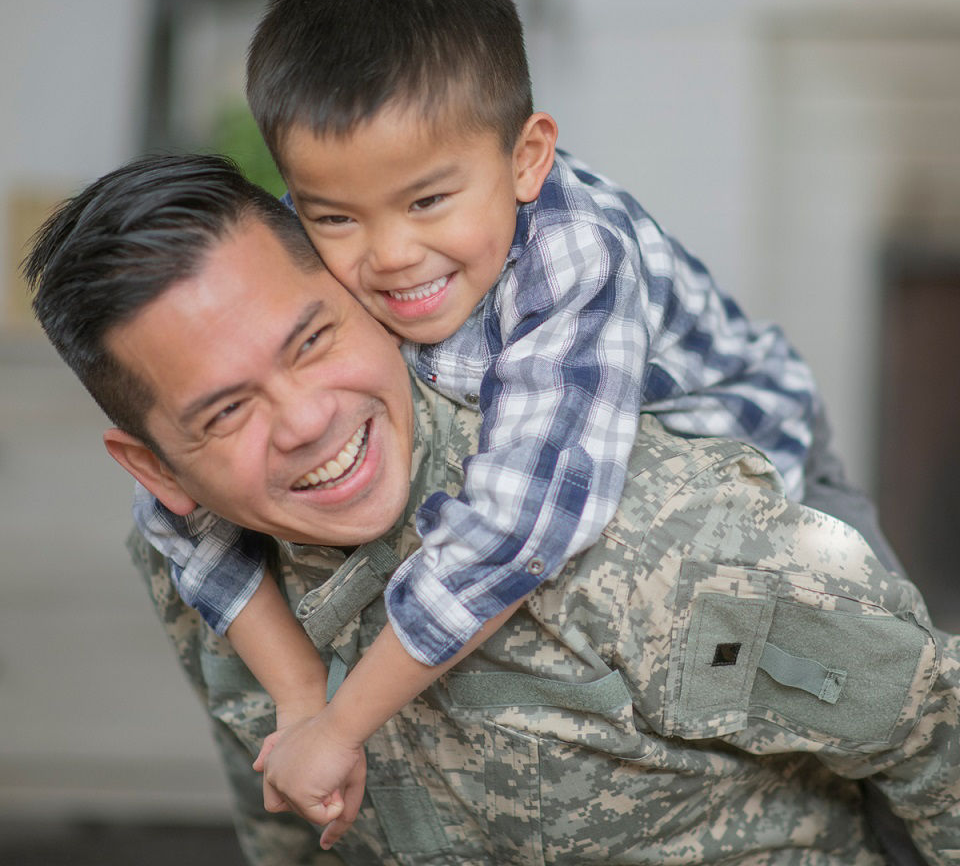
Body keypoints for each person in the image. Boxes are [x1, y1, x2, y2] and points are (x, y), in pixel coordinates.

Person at [131, 0, 904, 828]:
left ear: (527, 157)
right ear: (298, 196)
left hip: (771, 469)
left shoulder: (576, 258)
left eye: (427, 201)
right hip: (572, 479)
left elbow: (520, 526)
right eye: (336, 216)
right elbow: (177, 501)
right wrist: (300, 698)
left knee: (883, 705)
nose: (388, 255)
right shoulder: (324, 253)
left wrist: (342, 723)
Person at [22, 154, 954, 864]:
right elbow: (287, 819)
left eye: (311, 342)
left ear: (366, 292)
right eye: (226, 411)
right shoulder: (195, 568)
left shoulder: (643, 525)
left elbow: (933, 732)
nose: (305, 421)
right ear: (155, 470)